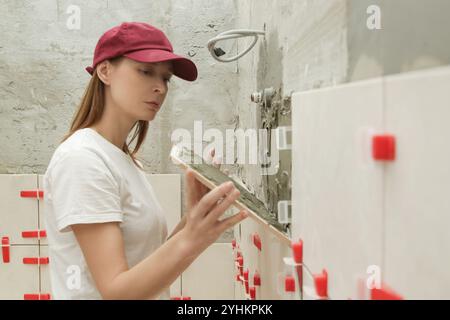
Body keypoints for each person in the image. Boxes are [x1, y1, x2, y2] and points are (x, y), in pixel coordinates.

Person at [43, 22, 248, 300]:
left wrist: (195, 220)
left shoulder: (125, 160)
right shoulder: (82, 159)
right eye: (146, 71)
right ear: (105, 71)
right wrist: (192, 238)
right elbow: (117, 291)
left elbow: (145, 266)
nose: (160, 88)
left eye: (165, 78)